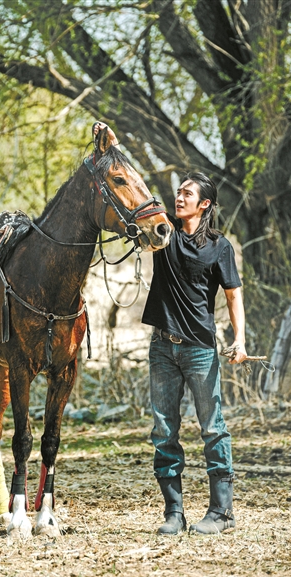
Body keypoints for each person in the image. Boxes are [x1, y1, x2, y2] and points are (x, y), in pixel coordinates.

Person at [93, 122, 247, 535]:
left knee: (213, 428)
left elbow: (233, 296)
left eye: (188, 194)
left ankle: (222, 513)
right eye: (179, 192)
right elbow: (133, 184)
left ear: (205, 204)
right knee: (164, 431)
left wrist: (240, 339)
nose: (179, 197)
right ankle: (173, 513)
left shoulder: (221, 247)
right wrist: (113, 144)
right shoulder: (164, 237)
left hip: (200, 349)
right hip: (161, 348)